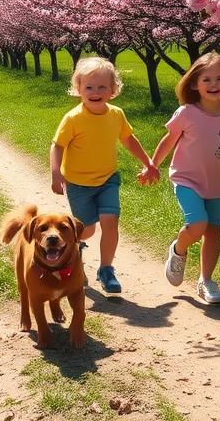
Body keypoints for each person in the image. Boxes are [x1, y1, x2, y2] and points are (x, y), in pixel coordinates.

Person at [139, 52, 220, 304]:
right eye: (207, 80)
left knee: (213, 231)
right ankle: (178, 249)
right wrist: (152, 165)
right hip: (186, 179)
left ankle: (206, 280)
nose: (214, 85)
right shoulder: (187, 113)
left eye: (219, 79)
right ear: (194, 83)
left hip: (217, 184)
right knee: (198, 223)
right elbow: (168, 141)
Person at [51, 56, 152, 294]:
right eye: (89, 87)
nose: (95, 92)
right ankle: (76, 255)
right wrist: (56, 173)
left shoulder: (116, 114)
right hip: (78, 184)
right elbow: (57, 145)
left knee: (110, 221)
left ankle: (106, 269)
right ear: (78, 89)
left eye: (102, 87)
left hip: (108, 179)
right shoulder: (74, 118)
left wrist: (148, 162)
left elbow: (128, 139)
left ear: (113, 89)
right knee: (86, 230)